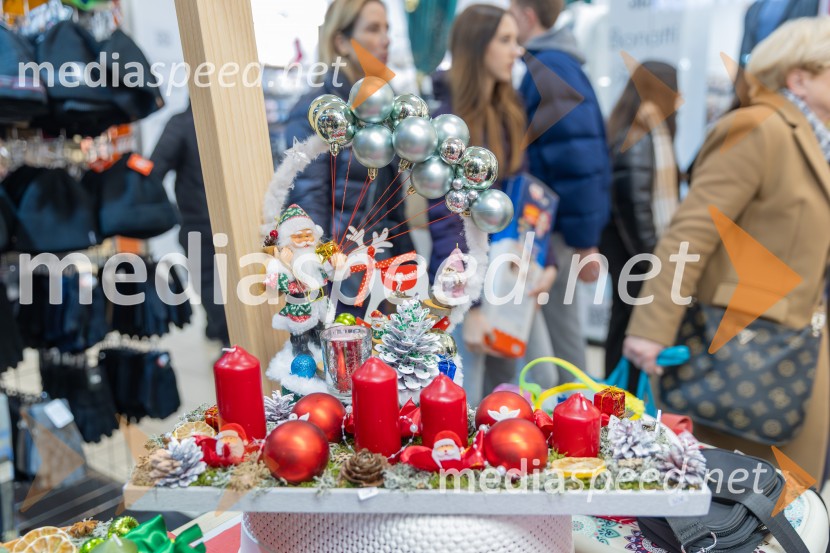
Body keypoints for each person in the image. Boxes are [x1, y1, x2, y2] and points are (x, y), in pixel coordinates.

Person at [624, 18, 830, 482]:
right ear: (799, 77)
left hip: (797, 349)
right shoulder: (759, 128)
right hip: (744, 354)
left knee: (783, 503)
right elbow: (692, 231)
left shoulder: (818, 144)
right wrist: (652, 328)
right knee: (734, 499)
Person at [427, 4, 558, 405]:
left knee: (537, 379)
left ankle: (523, 464)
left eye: (516, 40)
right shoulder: (447, 121)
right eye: (505, 41)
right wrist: (470, 303)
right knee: (468, 396)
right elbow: (445, 219)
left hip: (514, 273)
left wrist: (544, 261)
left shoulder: (509, 109)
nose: (516, 51)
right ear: (476, 47)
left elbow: (527, 196)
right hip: (469, 280)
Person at [283, 0, 413, 316]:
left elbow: (391, 204)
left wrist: (406, 269)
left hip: (382, 269)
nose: (385, 39)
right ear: (341, 41)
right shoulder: (315, 111)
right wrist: (322, 279)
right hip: (337, 278)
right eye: (372, 29)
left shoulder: (385, 108)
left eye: (387, 29)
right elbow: (309, 204)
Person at [509, 0, 611, 373]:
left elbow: (577, 159)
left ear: (527, 14)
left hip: (557, 232)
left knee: (562, 341)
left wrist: (585, 242)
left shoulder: (547, 68)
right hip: (558, 227)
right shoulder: (557, 65)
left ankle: (578, 419)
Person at [600, 62, 680, 388]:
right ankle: (620, 403)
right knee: (629, 328)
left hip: (626, 249)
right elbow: (635, 204)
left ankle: (619, 401)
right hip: (634, 252)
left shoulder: (635, 130)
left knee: (624, 324)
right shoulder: (643, 135)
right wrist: (651, 257)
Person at [151, 104, 229, 347]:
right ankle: (222, 331)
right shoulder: (234, 119)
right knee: (233, 283)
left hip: (198, 222)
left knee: (209, 282)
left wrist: (173, 213)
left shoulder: (183, 122)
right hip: (234, 221)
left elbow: (154, 171)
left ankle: (226, 336)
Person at [739, 0, 821, 67]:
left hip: (788, 71)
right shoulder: (755, 8)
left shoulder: (810, 3)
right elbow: (745, 48)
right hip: (756, 71)